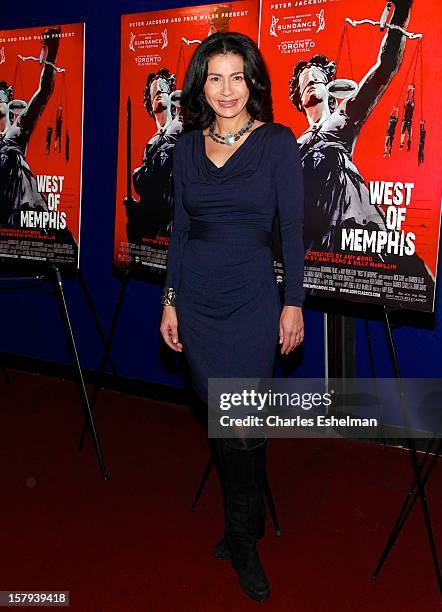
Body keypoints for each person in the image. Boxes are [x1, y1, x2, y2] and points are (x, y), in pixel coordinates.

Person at [160, 32, 304, 602]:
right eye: (214, 77)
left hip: (250, 299)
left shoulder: (277, 142)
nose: (225, 90)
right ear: (202, 85)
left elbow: (291, 231)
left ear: (253, 83)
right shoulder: (186, 149)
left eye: (236, 77)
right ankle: (245, 522)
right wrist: (169, 299)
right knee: (226, 419)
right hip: (196, 300)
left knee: (240, 423)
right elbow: (180, 232)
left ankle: (242, 540)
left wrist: (293, 302)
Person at [289, 0, 414, 255]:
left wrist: (400, 15)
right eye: (305, 82)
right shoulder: (294, 146)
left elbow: (384, 70)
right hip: (309, 239)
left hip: (350, 224)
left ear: (330, 88)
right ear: (299, 98)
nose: (311, 82)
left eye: (317, 78)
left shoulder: (341, 118)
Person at [0, 28, 60, 228]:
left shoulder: (16, 130)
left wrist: (51, 51)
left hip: (21, 205)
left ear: (8, 104)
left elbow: (44, 92)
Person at [124, 68, 183, 244]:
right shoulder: (151, 143)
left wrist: (142, 174)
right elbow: (144, 186)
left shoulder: (183, 126)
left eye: (162, 88)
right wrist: (135, 210)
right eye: (153, 91)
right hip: (156, 228)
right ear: (149, 104)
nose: (157, 92)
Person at [400, 83, 415, 151]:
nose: (409, 101)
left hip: (407, 121)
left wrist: (411, 90)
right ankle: (402, 144)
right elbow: (408, 98)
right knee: (403, 133)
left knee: (408, 134)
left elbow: (411, 98)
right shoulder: (407, 105)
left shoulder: (410, 106)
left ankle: (407, 145)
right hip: (406, 121)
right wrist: (409, 90)